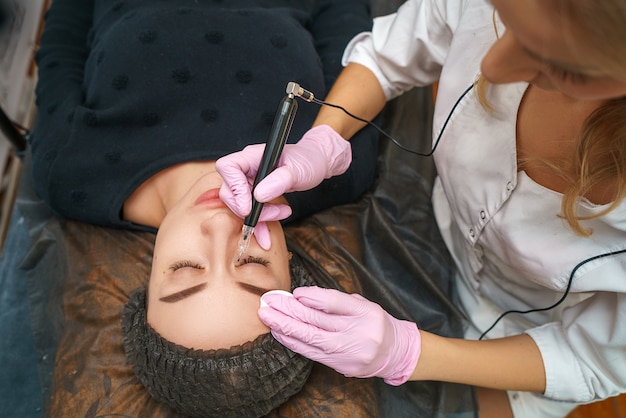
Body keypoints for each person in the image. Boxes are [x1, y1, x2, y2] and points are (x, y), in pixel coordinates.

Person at [215, 0, 626, 417]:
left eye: (554, 63)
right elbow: (391, 53)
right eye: (503, 21)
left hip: (527, 343)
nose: (495, 69)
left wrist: (409, 353)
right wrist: (322, 139)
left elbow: (594, 358)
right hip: (425, 221)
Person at [29, 0, 379, 416]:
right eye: (250, 261)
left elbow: (64, 38)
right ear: (290, 265)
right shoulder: (337, 165)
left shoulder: (69, 172)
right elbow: (348, 25)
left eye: (185, 269)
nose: (218, 227)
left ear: (148, 277)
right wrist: (321, 139)